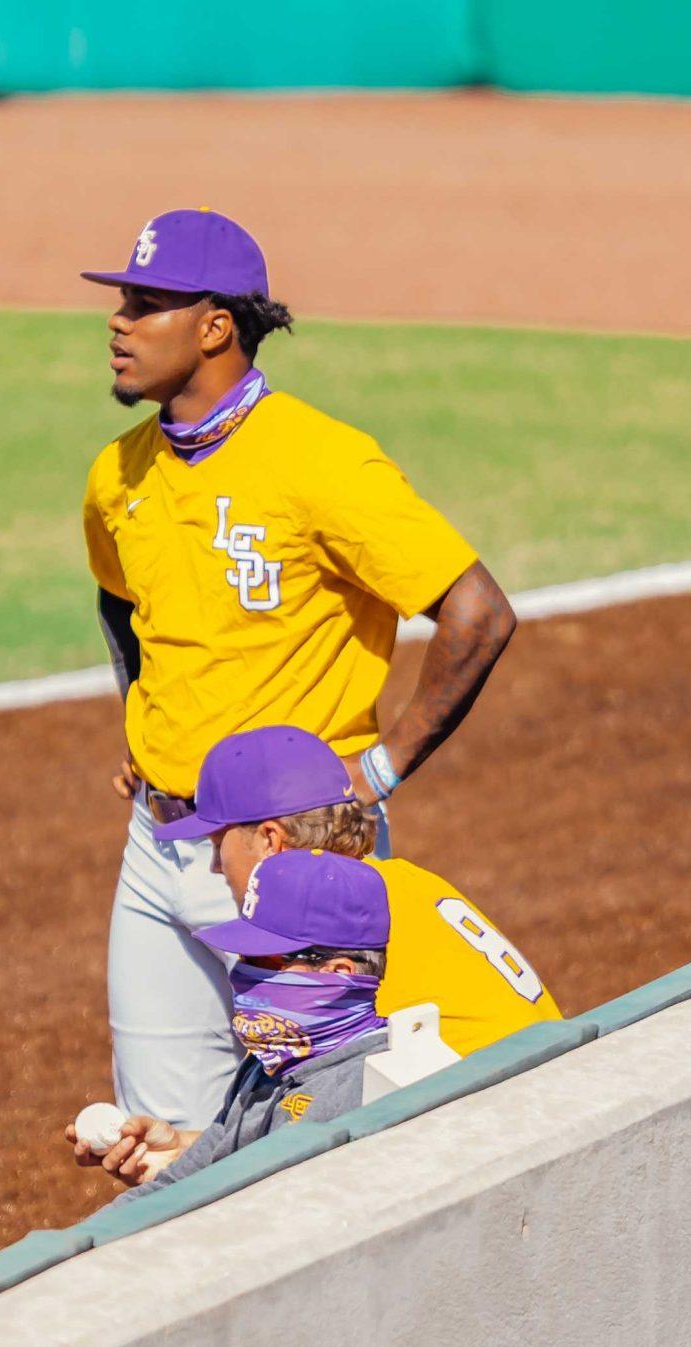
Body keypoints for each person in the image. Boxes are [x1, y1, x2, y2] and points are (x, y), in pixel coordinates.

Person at [80, 208, 519, 1131]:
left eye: (146, 302)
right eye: (121, 300)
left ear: (214, 325)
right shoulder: (117, 474)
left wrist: (383, 768)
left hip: (298, 855)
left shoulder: (324, 462)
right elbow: (120, 599)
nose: (118, 321)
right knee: (166, 1146)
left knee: (320, 1126)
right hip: (156, 848)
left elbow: (477, 611)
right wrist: (142, 718)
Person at [156, 724, 561, 1052]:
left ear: (269, 840)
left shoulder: (328, 927)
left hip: (494, 1116)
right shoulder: (401, 880)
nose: (214, 867)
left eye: (217, 846)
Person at [74, 849, 394, 1196]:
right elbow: (176, 1184)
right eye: (243, 957)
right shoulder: (264, 1066)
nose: (243, 974)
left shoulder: (362, 1087)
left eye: (264, 960)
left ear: (338, 974)